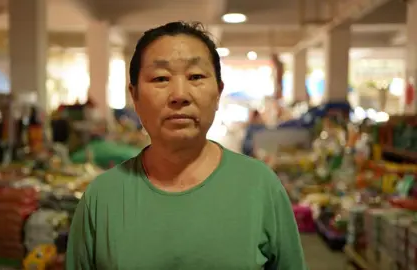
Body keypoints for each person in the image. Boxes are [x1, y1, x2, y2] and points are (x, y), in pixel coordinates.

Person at [66, 21, 307, 270]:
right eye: (161, 78)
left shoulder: (260, 187)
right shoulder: (102, 198)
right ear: (134, 96)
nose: (179, 94)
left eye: (196, 76)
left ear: (218, 92)